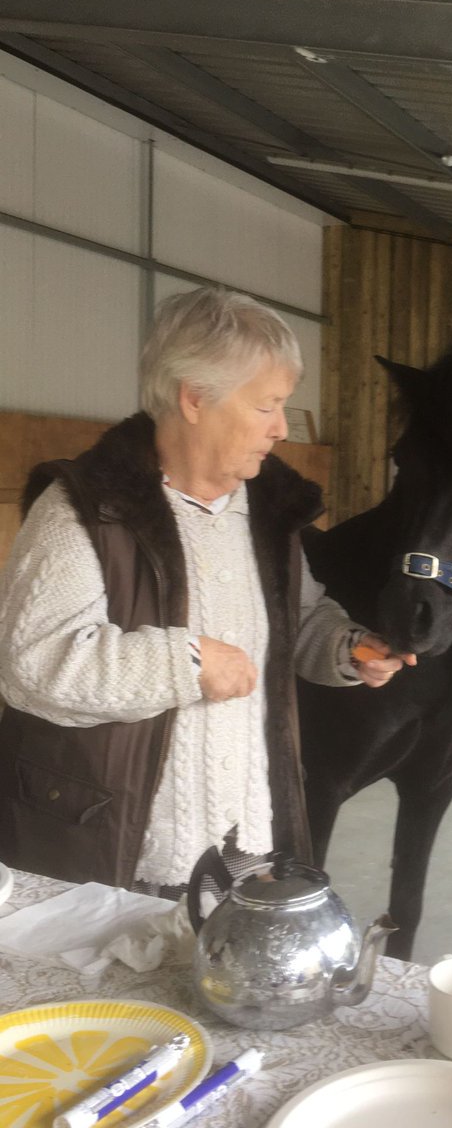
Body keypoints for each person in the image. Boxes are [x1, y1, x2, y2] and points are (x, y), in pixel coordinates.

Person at [0, 287, 414, 895]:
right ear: (194, 398)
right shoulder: (84, 510)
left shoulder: (268, 511)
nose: (280, 428)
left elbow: (295, 618)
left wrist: (348, 647)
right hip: (117, 859)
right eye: (267, 406)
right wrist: (187, 663)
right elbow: (31, 665)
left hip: (245, 848)